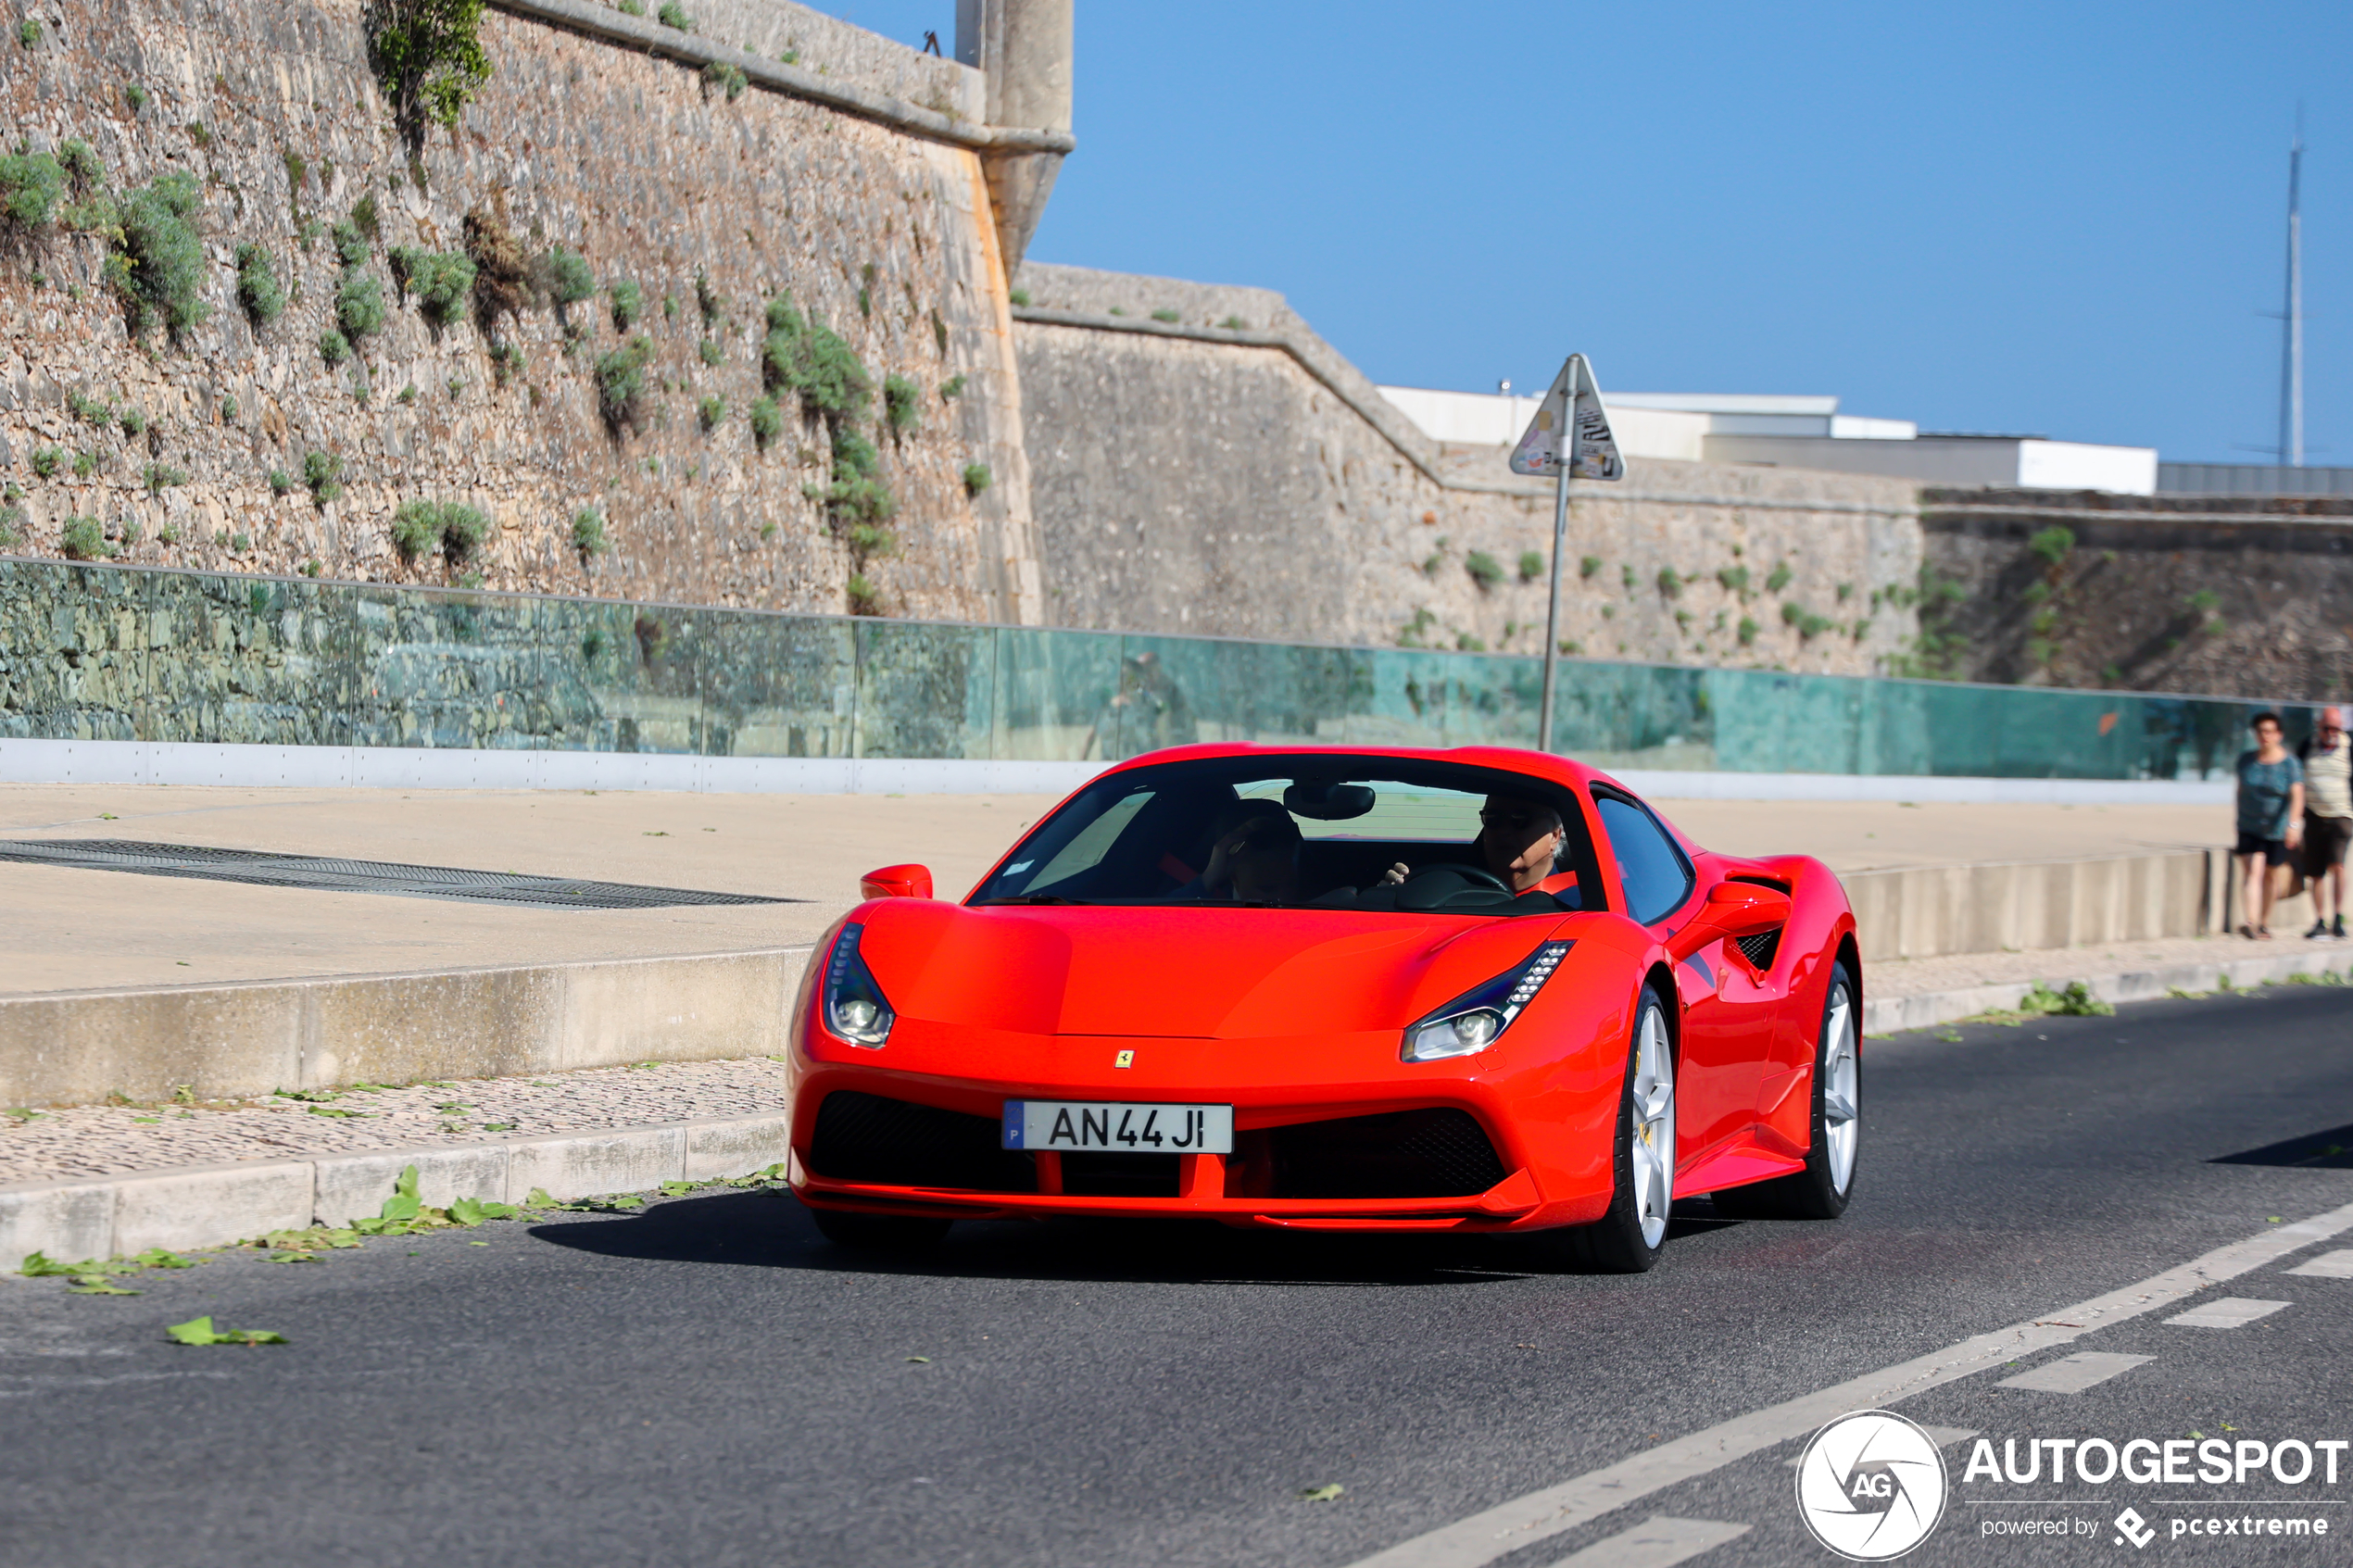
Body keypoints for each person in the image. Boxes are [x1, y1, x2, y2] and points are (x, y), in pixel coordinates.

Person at [1382, 793, 1574, 897]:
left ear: (1555, 835)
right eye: (1492, 819)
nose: (1503, 830)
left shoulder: (1578, 899)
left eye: (1520, 820)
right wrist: (1390, 897)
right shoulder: (1447, 888)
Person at [2234, 711, 2305, 940]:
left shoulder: (2290, 764)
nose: (2265, 736)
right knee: (2252, 871)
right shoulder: (2246, 761)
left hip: (2277, 828)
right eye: (2261, 731)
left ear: (2279, 735)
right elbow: (2240, 790)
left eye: (2269, 731)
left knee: (2271, 875)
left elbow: (2297, 795)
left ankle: (2264, 922)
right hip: (2249, 825)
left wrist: (2293, 825)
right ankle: (2251, 921)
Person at [1179, 799, 1302, 905]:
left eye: (1291, 883)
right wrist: (1209, 878)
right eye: (1268, 889)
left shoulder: (1318, 904)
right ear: (1234, 879)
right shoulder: (1212, 908)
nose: (1285, 896)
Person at [2299, 706, 2352, 940]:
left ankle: (2338, 917)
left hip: (2342, 814)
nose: (2332, 732)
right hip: (2313, 814)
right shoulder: (2307, 746)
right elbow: (2296, 776)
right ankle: (2320, 920)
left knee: (2337, 865)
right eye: (2327, 727)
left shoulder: (2349, 748)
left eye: (2336, 728)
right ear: (2319, 726)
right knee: (2315, 872)